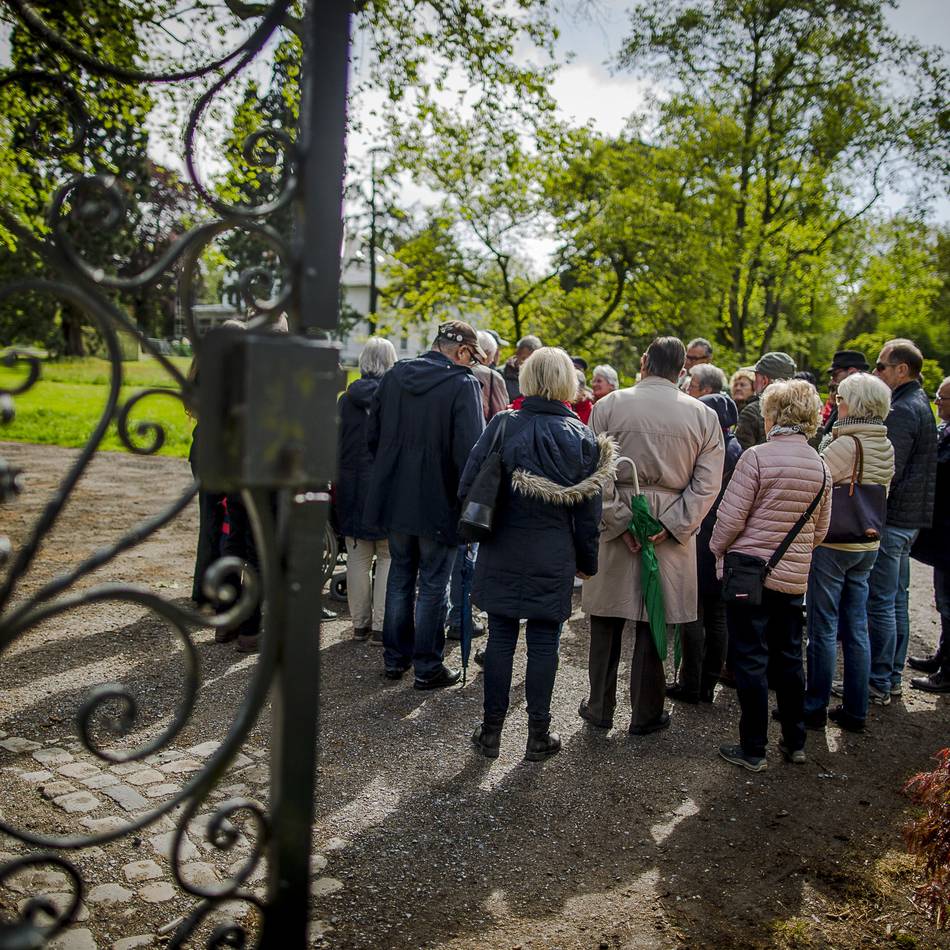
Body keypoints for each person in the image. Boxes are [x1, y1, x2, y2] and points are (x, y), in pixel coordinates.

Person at [463, 347, 615, 761]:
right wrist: (586, 562)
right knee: (545, 643)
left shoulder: (502, 424)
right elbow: (589, 515)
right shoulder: (582, 438)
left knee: (500, 638)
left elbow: (469, 483)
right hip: (554, 551)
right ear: (568, 382)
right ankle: (538, 735)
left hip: (502, 545)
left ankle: (490, 733)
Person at [580, 337, 725, 735]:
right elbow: (708, 484)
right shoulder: (703, 415)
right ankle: (646, 711)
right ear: (682, 370)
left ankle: (599, 706)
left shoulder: (609, 405)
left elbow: (594, 471)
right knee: (653, 617)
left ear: (644, 361)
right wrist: (673, 523)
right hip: (670, 523)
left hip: (621, 513)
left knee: (606, 617)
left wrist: (621, 519)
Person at [712, 379, 832, 771]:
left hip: (749, 573)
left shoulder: (756, 458)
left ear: (775, 414)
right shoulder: (821, 466)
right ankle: (795, 742)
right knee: (789, 657)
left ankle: (754, 748)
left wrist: (717, 548)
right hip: (792, 578)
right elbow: (820, 531)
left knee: (750, 658)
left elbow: (730, 519)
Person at [364, 321, 486, 689]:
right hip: (439, 499)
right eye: (472, 358)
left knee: (400, 575)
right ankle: (427, 666)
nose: (473, 365)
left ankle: (395, 658)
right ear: (461, 351)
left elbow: (373, 435)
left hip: (396, 494)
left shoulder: (394, 375)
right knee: (433, 584)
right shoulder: (462, 384)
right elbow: (471, 454)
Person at [804, 373, 894, 732]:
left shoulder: (846, 444)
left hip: (834, 542)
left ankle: (814, 706)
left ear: (854, 404)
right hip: (867, 542)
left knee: (823, 628)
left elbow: (816, 480)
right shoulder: (884, 443)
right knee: (856, 627)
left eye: (840, 399)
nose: (836, 404)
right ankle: (857, 709)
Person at [865, 339, 937, 702]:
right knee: (895, 599)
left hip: (894, 521)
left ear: (901, 369)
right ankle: (890, 675)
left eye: (881, 366)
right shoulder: (919, 402)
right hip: (907, 521)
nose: (875, 372)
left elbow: (888, 471)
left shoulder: (903, 409)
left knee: (882, 601)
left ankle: (880, 679)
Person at [672, 392, 742, 703]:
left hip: (703, 536)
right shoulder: (738, 449)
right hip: (729, 537)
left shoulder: (709, 448)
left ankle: (691, 683)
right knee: (718, 614)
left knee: (693, 611)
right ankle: (708, 684)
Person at [337, 337, 397, 642]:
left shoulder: (345, 401)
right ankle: (381, 626)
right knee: (386, 556)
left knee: (357, 557)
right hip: (385, 486)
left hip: (351, 486)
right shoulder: (395, 401)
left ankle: (359, 624)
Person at [909, 376, 950, 693]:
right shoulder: (944, 430)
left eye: (941, 397)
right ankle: (942, 656)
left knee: (949, 603)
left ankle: (948, 671)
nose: (937, 402)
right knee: (943, 599)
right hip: (942, 534)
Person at [735, 352, 797, 451]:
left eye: (756, 377)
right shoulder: (803, 411)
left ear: (764, 381)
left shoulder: (751, 412)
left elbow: (740, 454)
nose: (754, 383)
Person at [820, 350, 869, 440]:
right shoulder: (843, 403)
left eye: (835, 375)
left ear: (852, 373)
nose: (832, 382)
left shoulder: (865, 408)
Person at [472, 330, 509, 422]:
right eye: (494, 352)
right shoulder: (492, 376)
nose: (492, 360)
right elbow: (501, 413)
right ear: (486, 353)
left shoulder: (453, 369)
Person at [502, 334, 543, 401]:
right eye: (524, 358)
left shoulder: (542, 376)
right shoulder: (502, 373)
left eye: (531, 360)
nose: (527, 363)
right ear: (517, 353)